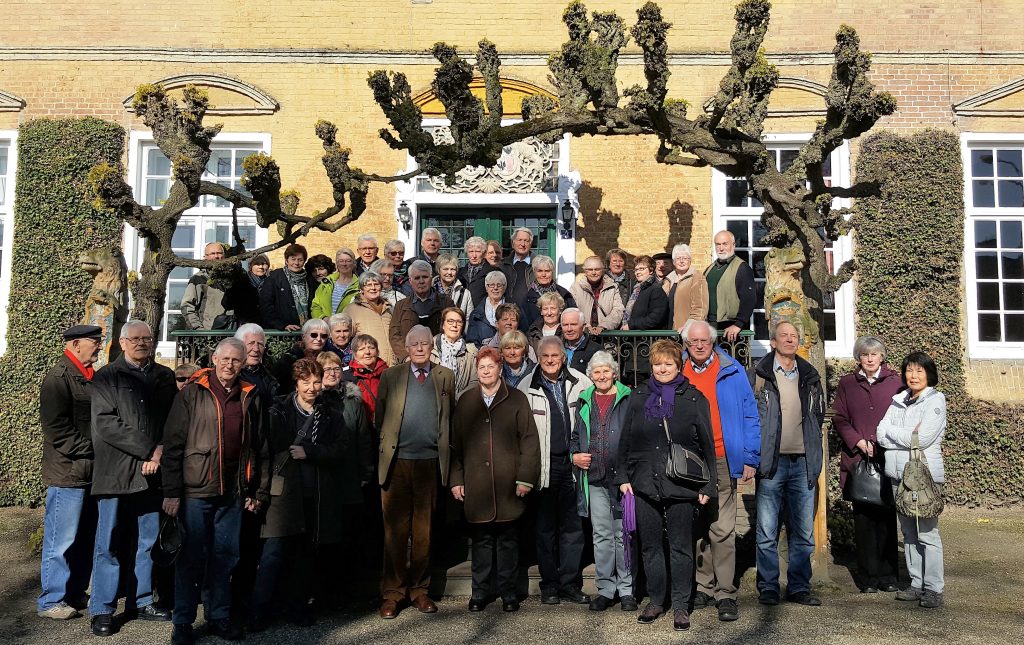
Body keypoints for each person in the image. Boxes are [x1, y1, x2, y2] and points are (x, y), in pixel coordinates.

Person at [162, 338, 269, 645]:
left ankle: (218, 617)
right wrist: (171, 492)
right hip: (196, 490)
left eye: (236, 360)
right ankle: (182, 621)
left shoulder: (250, 394)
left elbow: (260, 447)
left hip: (233, 492)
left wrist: (257, 490)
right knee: (190, 558)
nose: (230, 365)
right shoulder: (193, 393)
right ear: (214, 359)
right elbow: (173, 445)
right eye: (225, 359)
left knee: (225, 557)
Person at [250, 358, 371, 630]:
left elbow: (341, 448)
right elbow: (265, 448)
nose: (312, 388)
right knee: (274, 553)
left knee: (305, 555)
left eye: (316, 382)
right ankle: (260, 611)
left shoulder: (329, 413)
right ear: (297, 383)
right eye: (306, 382)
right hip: (283, 492)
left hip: (315, 491)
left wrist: (311, 452)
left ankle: (297, 607)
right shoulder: (278, 410)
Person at [617, 339, 717, 632]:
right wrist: (623, 477)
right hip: (644, 482)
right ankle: (656, 600)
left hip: (681, 484)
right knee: (650, 547)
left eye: (668, 364)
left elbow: (707, 447)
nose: (662, 369)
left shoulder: (694, 399)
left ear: (678, 365)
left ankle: (681, 605)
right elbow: (625, 441)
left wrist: (707, 486)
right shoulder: (638, 397)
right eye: (658, 364)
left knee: (680, 547)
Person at [88, 321, 177, 637]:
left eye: (147, 338)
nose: (143, 343)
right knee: (109, 543)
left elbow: (173, 419)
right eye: (136, 339)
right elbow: (105, 424)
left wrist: (162, 450)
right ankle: (102, 609)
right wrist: (148, 450)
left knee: (148, 541)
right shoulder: (107, 377)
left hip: (152, 475)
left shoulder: (164, 377)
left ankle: (141, 602)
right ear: (122, 343)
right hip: (116, 471)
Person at [451, 347, 540, 613]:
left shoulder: (516, 399)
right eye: (482, 368)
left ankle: (508, 593)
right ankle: (480, 592)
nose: (486, 371)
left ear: (500, 369)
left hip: (508, 484)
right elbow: (455, 445)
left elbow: (529, 441)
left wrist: (525, 478)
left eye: (491, 366)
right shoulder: (466, 401)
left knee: (508, 542)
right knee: (481, 542)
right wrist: (456, 479)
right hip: (477, 486)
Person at [681, 320, 760, 621]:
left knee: (723, 528)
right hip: (690, 461)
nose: (699, 346)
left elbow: (750, 413)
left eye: (704, 341)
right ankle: (703, 585)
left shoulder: (733, 370)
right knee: (698, 526)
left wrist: (750, 457)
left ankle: (725, 592)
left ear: (712, 342)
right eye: (693, 342)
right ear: (686, 344)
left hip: (723, 457)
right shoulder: (680, 370)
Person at [375, 326, 455, 619]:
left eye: (424, 343)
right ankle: (393, 593)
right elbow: (380, 417)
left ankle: (420, 590)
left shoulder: (445, 376)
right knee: (395, 531)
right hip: (397, 463)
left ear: (431, 346)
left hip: (430, 463)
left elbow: (449, 416)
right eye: (414, 344)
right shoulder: (391, 376)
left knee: (424, 532)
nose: (420, 348)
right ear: (406, 349)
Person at [750, 321, 826, 607]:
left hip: (803, 462)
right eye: (784, 336)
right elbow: (751, 417)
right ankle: (768, 587)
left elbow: (816, 416)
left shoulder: (809, 375)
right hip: (771, 463)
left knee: (804, 533)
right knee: (767, 531)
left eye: (794, 336)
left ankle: (799, 587)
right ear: (773, 342)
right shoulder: (759, 375)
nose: (789, 340)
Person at [517, 336, 593, 606]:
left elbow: (591, 421)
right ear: (539, 357)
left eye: (555, 356)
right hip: (544, 467)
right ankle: (549, 585)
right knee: (545, 529)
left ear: (564, 357)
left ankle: (570, 584)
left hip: (573, 466)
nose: (550, 361)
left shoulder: (582, 382)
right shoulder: (526, 386)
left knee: (573, 529)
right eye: (545, 356)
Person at [37, 325, 103, 621]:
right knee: (59, 541)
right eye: (95, 342)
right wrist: (95, 449)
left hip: (88, 473)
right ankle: (51, 601)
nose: (100, 346)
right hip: (68, 473)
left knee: (85, 538)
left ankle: (74, 593)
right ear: (76, 345)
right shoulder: (58, 379)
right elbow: (57, 432)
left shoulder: (89, 377)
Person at [832, 336, 904, 594]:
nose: (870, 359)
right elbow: (840, 418)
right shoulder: (847, 384)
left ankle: (888, 575)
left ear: (882, 357)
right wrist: (858, 441)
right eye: (865, 355)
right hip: (858, 460)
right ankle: (868, 578)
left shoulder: (897, 383)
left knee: (886, 519)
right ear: (858, 358)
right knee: (863, 521)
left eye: (875, 354)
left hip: (889, 459)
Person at [877, 352, 947, 609]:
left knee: (927, 533)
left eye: (919, 371)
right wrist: (904, 434)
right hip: (898, 474)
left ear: (929, 374)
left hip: (923, 477)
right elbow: (880, 434)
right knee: (908, 533)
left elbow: (923, 438)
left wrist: (894, 433)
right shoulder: (898, 401)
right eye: (909, 370)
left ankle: (934, 588)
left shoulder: (936, 401)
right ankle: (916, 583)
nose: (913, 376)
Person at [569, 351, 637, 612]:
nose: (601, 376)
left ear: (614, 373)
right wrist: (575, 455)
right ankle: (606, 589)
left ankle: (627, 589)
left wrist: (629, 473)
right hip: (594, 477)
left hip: (622, 480)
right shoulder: (585, 401)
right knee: (602, 535)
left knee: (623, 535)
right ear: (591, 376)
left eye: (605, 371)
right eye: (596, 372)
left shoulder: (628, 399)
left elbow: (635, 437)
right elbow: (576, 436)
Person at [390, 260, 455, 362]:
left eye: (424, 277)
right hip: (409, 361)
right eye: (417, 278)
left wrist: (436, 355)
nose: (421, 281)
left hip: (439, 360)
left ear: (431, 279)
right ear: (410, 281)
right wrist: (406, 356)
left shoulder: (446, 303)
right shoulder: (401, 306)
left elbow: (452, 330)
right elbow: (395, 335)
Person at [704, 231, 755, 343]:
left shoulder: (742, 268)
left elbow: (749, 299)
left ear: (733, 245)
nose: (721, 248)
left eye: (725, 244)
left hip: (731, 329)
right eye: (718, 244)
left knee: (732, 360)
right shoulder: (710, 269)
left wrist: (738, 324)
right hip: (710, 326)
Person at [260, 243, 320, 331]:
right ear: (286, 260)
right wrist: (282, 325)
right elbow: (266, 306)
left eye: (300, 260)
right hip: (284, 332)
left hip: (307, 330)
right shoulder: (274, 279)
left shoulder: (310, 280)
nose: (296, 263)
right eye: (293, 259)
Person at [345, 270, 397, 366]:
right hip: (367, 366)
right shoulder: (352, 309)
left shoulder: (390, 309)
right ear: (361, 289)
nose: (373, 288)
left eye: (376, 284)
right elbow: (345, 338)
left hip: (392, 367)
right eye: (368, 285)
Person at [430, 306, 479, 399]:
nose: (454, 325)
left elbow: (474, 381)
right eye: (450, 321)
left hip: (459, 404)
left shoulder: (470, 352)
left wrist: (458, 398)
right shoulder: (430, 349)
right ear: (443, 325)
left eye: (459, 322)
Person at [570, 255, 624, 335]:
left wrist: (604, 325)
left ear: (602, 270)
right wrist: (586, 326)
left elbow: (618, 310)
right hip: (583, 335)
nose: (594, 272)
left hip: (606, 335)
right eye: (590, 269)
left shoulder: (612, 287)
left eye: (597, 269)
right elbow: (573, 310)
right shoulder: (575, 288)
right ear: (585, 271)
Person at [274, 318, 330, 393]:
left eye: (324, 336)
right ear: (303, 337)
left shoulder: (328, 358)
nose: (319, 339)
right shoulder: (288, 360)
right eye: (314, 335)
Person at [180, 242, 227, 330]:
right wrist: (199, 330)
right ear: (205, 257)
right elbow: (187, 306)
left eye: (220, 253)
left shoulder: (235, 278)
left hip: (232, 334)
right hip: (208, 334)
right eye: (213, 253)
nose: (217, 256)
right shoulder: (198, 279)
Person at [343, 333, 388, 423]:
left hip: (385, 424)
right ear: (355, 354)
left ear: (377, 351)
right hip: (361, 427)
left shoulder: (388, 373)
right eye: (362, 349)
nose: (367, 352)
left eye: (371, 348)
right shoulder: (347, 376)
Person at [663, 244, 709, 332]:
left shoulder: (697, 277)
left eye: (685, 258)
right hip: (667, 330)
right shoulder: (668, 279)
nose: (681, 261)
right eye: (678, 258)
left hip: (686, 331)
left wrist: (689, 326)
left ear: (690, 261)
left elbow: (700, 308)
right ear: (673, 262)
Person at [522, 254, 576, 329]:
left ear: (552, 272)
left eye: (547, 271)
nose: (543, 274)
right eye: (540, 271)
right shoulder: (527, 298)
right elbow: (525, 325)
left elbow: (573, 319)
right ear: (534, 273)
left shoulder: (564, 294)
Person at [234, 323, 279, 406]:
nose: (256, 349)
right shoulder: (231, 377)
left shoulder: (269, 377)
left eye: (260, 344)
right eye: (251, 343)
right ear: (238, 346)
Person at [622, 254, 669, 330]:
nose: (638, 272)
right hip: (631, 337)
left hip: (645, 338)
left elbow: (655, 318)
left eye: (641, 269)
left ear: (651, 270)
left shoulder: (656, 289)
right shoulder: (636, 289)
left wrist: (631, 325)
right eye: (636, 269)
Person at [311, 248, 360, 320]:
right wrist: (323, 318)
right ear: (337, 264)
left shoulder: (359, 286)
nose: (344, 264)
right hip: (325, 327)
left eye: (348, 261)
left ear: (353, 264)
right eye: (341, 261)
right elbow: (315, 306)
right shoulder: (326, 282)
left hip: (346, 328)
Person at [223, 254, 270, 327]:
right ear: (250, 266)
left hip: (267, 326)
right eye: (257, 264)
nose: (260, 267)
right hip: (244, 325)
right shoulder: (240, 282)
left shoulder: (272, 283)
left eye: (264, 264)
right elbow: (226, 304)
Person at [466, 270, 507, 346]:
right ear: (486, 288)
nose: (495, 288)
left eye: (499, 285)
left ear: (504, 288)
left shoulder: (514, 310)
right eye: (491, 285)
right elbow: (471, 341)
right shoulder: (476, 314)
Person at [501, 227, 536, 307]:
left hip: (532, 312)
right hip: (508, 312)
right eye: (519, 240)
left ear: (530, 244)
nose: (522, 244)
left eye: (526, 241)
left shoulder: (538, 265)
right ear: (513, 243)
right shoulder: (503, 265)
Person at [433, 252, 474, 318]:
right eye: (445, 269)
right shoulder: (430, 289)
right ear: (438, 270)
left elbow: (468, 318)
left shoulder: (465, 294)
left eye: (452, 269)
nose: (449, 273)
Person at [561, 308, 601, 374]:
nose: (569, 329)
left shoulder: (596, 350)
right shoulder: (556, 348)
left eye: (573, 324)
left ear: (583, 327)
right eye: (565, 325)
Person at [458, 236, 490, 306]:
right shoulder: (460, 272)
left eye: (478, 251)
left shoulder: (492, 272)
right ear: (467, 253)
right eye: (471, 251)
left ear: (484, 253)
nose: (474, 255)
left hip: (482, 312)